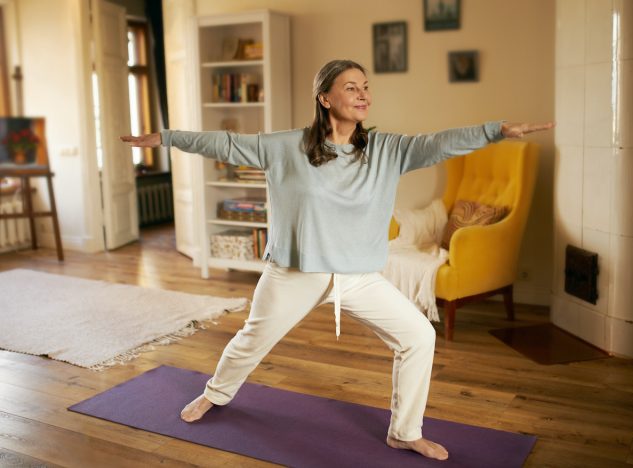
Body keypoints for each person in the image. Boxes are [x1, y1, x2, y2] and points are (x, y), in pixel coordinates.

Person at [121, 59, 554, 461]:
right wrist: (166, 138)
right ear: (325, 98)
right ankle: (215, 394)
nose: (363, 94)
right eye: (351, 87)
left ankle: (404, 430)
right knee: (252, 340)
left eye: (366, 87)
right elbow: (229, 144)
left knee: (419, 336)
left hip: (358, 276)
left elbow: (439, 144)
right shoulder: (286, 147)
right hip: (295, 273)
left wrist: (495, 131)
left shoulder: (388, 149)